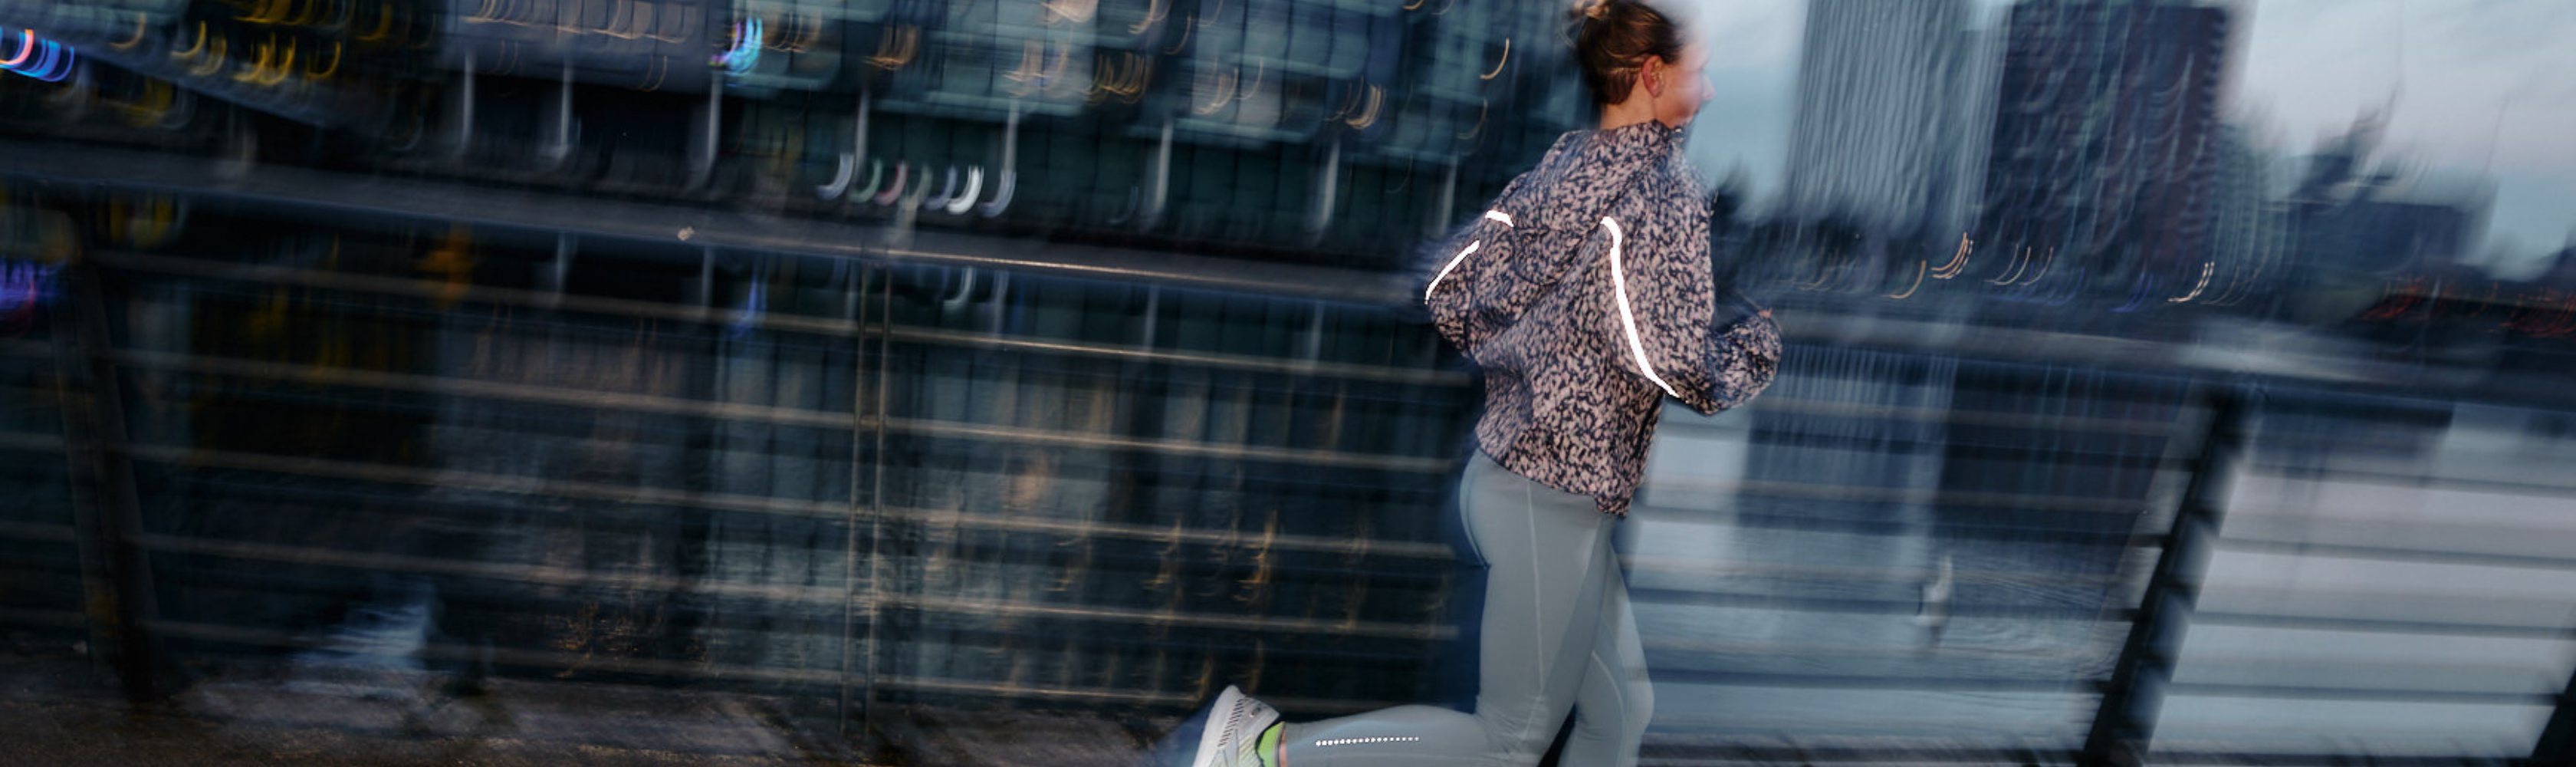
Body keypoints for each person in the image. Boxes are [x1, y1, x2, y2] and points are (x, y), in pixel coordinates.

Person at [1169, 1, 1782, 765]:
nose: (1714, 90)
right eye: (1700, 72)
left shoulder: (1563, 166)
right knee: (1511, 739)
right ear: (1651, 76)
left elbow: (1448, 286)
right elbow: (1671, 362)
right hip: (1553, 495)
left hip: (1520, 478)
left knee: (1619, 714)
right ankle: (1267, 751)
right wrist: (1756, 344)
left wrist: (1524, 367)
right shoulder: (1662, 194)